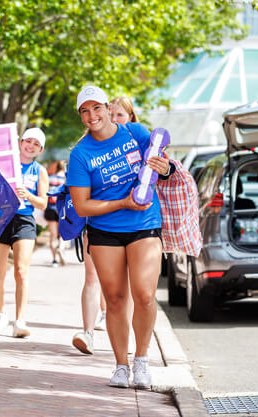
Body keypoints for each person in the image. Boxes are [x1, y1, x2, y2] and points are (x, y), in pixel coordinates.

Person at [68, 86, 173, 389]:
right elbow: (82, 205)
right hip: (104, 231)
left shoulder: (135, 133)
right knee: (114, 300)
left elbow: (161, 164)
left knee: (144, 295)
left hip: (144, 223)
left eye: (96, 108)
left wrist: (163, 167)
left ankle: (142, 360)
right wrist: (122, 203)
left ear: (107, 106)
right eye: (84, 112)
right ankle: (120, 365)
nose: (92, 116)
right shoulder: (80, 154)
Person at [71, 96, 139, 354]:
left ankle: (128, 337)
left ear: (130, 118)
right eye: (114, 113)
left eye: (122, 115)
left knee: (129, 288)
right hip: (98, 224)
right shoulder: (84, 148)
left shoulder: (137, 142)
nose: (116, 118)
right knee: (92, 278)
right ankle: (87, 333)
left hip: (136, 227)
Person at [0, 127, 49, 337]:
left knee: (21, 271)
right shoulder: (4, 163)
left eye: (36, 144)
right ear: (20, 142)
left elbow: (43, 203)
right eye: (28, 141)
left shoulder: (39, 171)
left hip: (24, 220)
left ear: (40, 150)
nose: (30, 146)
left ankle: (20, 320)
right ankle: (0, 313)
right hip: (0, 218)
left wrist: (28, 196)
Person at [45, 160, 66, 267]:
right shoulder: (66, 179)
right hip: (62, 209)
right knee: (62, 234)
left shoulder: (50, 178)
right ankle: (60, 248)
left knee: (53, 235)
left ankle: (54, 260)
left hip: (50, 208)